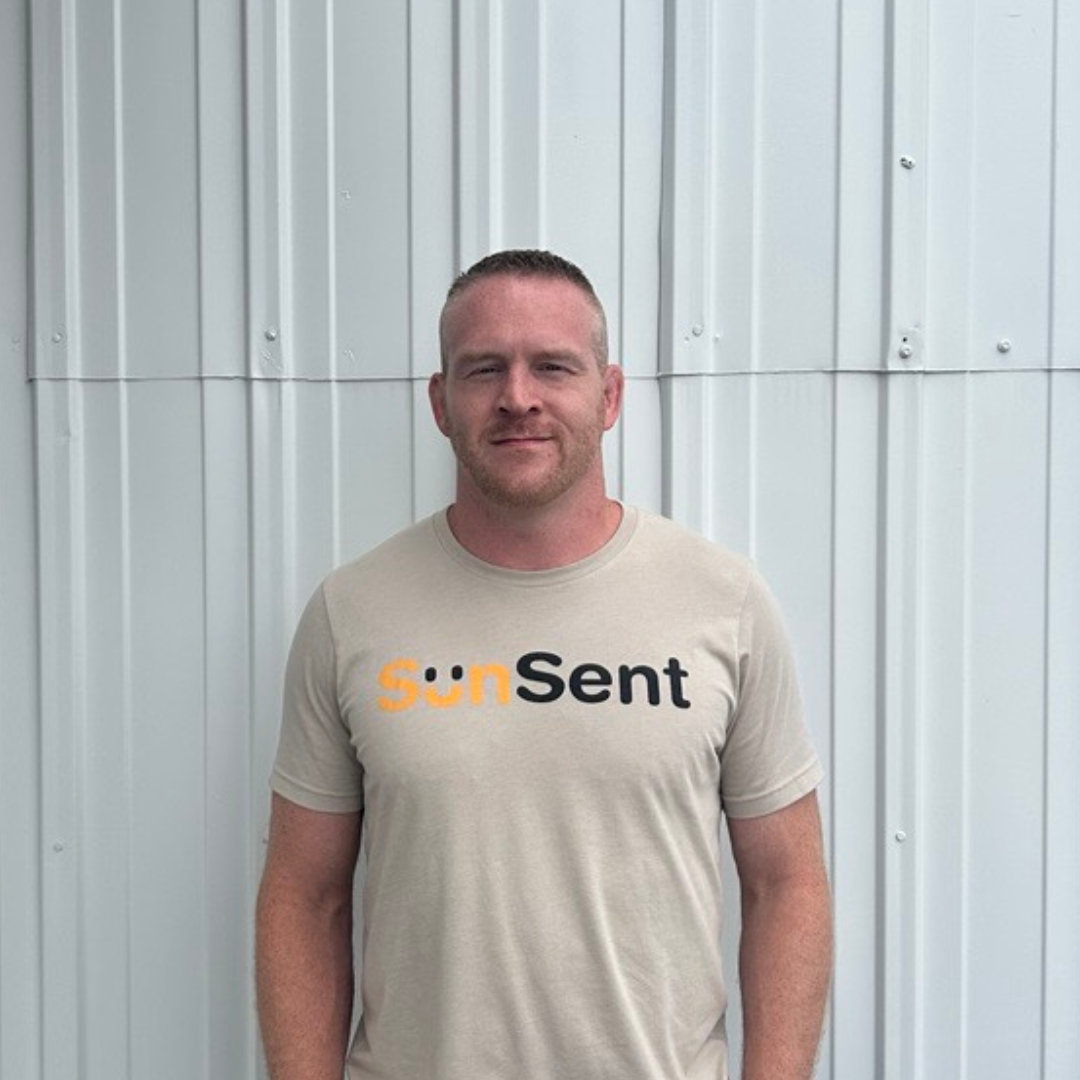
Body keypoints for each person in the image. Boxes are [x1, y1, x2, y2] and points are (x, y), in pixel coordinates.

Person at [256, 249, 832, 1080]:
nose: (517, 397)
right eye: (484, 368)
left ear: (610, 395)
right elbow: (304, 896)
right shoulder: (352, 613)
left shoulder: (723, 602)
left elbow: (787, 884)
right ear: (440, 402)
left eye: (553, 367)